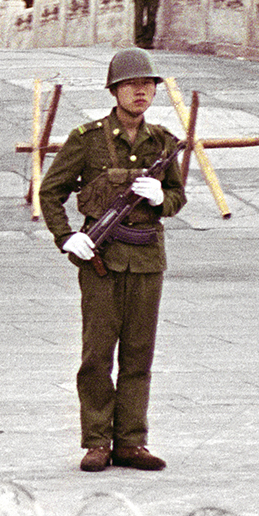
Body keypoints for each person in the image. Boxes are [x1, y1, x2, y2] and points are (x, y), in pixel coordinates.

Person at [38, 48, 186, 473]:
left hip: (146, 259)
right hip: (102, 260)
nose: (141, 92)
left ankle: (132, 441)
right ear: (115, 90)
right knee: (97, 355)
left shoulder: (162, 142)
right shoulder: (87, 138)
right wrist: (67, 238)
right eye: (131, 85)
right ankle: (98, 440)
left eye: (148, 85)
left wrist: (163, 200)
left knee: (139, 355)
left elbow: (177, 195)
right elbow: (51, 192)